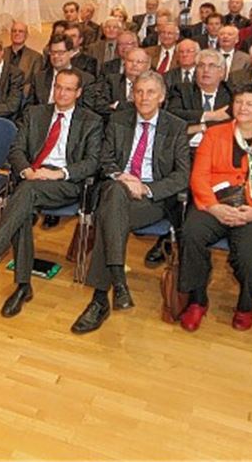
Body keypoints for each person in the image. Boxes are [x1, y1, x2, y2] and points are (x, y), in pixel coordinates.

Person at [0, 69, 103, 317]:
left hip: (65, 183)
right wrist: (26, 170)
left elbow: (92, 162)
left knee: (23, 195)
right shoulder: (35, 113)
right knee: (23, 204)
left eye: (68, 89)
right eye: (58, 87)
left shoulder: (91, 121)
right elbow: (16, 149)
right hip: (32, 179)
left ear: (78, 93)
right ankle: (23, 286)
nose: (62, 93)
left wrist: (59, 173)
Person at [70, 72, 190, 334]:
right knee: (113, 195)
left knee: (108, 218)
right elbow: (105, 159)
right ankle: (114, 287)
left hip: (151, 200)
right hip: (119, 189)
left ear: (161, 96)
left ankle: (101, 298)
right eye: (138, 92)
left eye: (150, 92)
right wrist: (120, 176)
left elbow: (181, 176)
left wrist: (146, 187)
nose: (143, 97)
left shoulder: (176, 127)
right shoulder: (119, 119)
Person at [177, 83, 252, 332]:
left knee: (250, 254)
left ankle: (246, 303)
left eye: (250, 104)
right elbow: (199, 177)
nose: (242, 108)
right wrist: (212, 207)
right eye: (239, 102)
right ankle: (197, 299)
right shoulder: (215, 134)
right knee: (191, 233)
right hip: (216, 205)